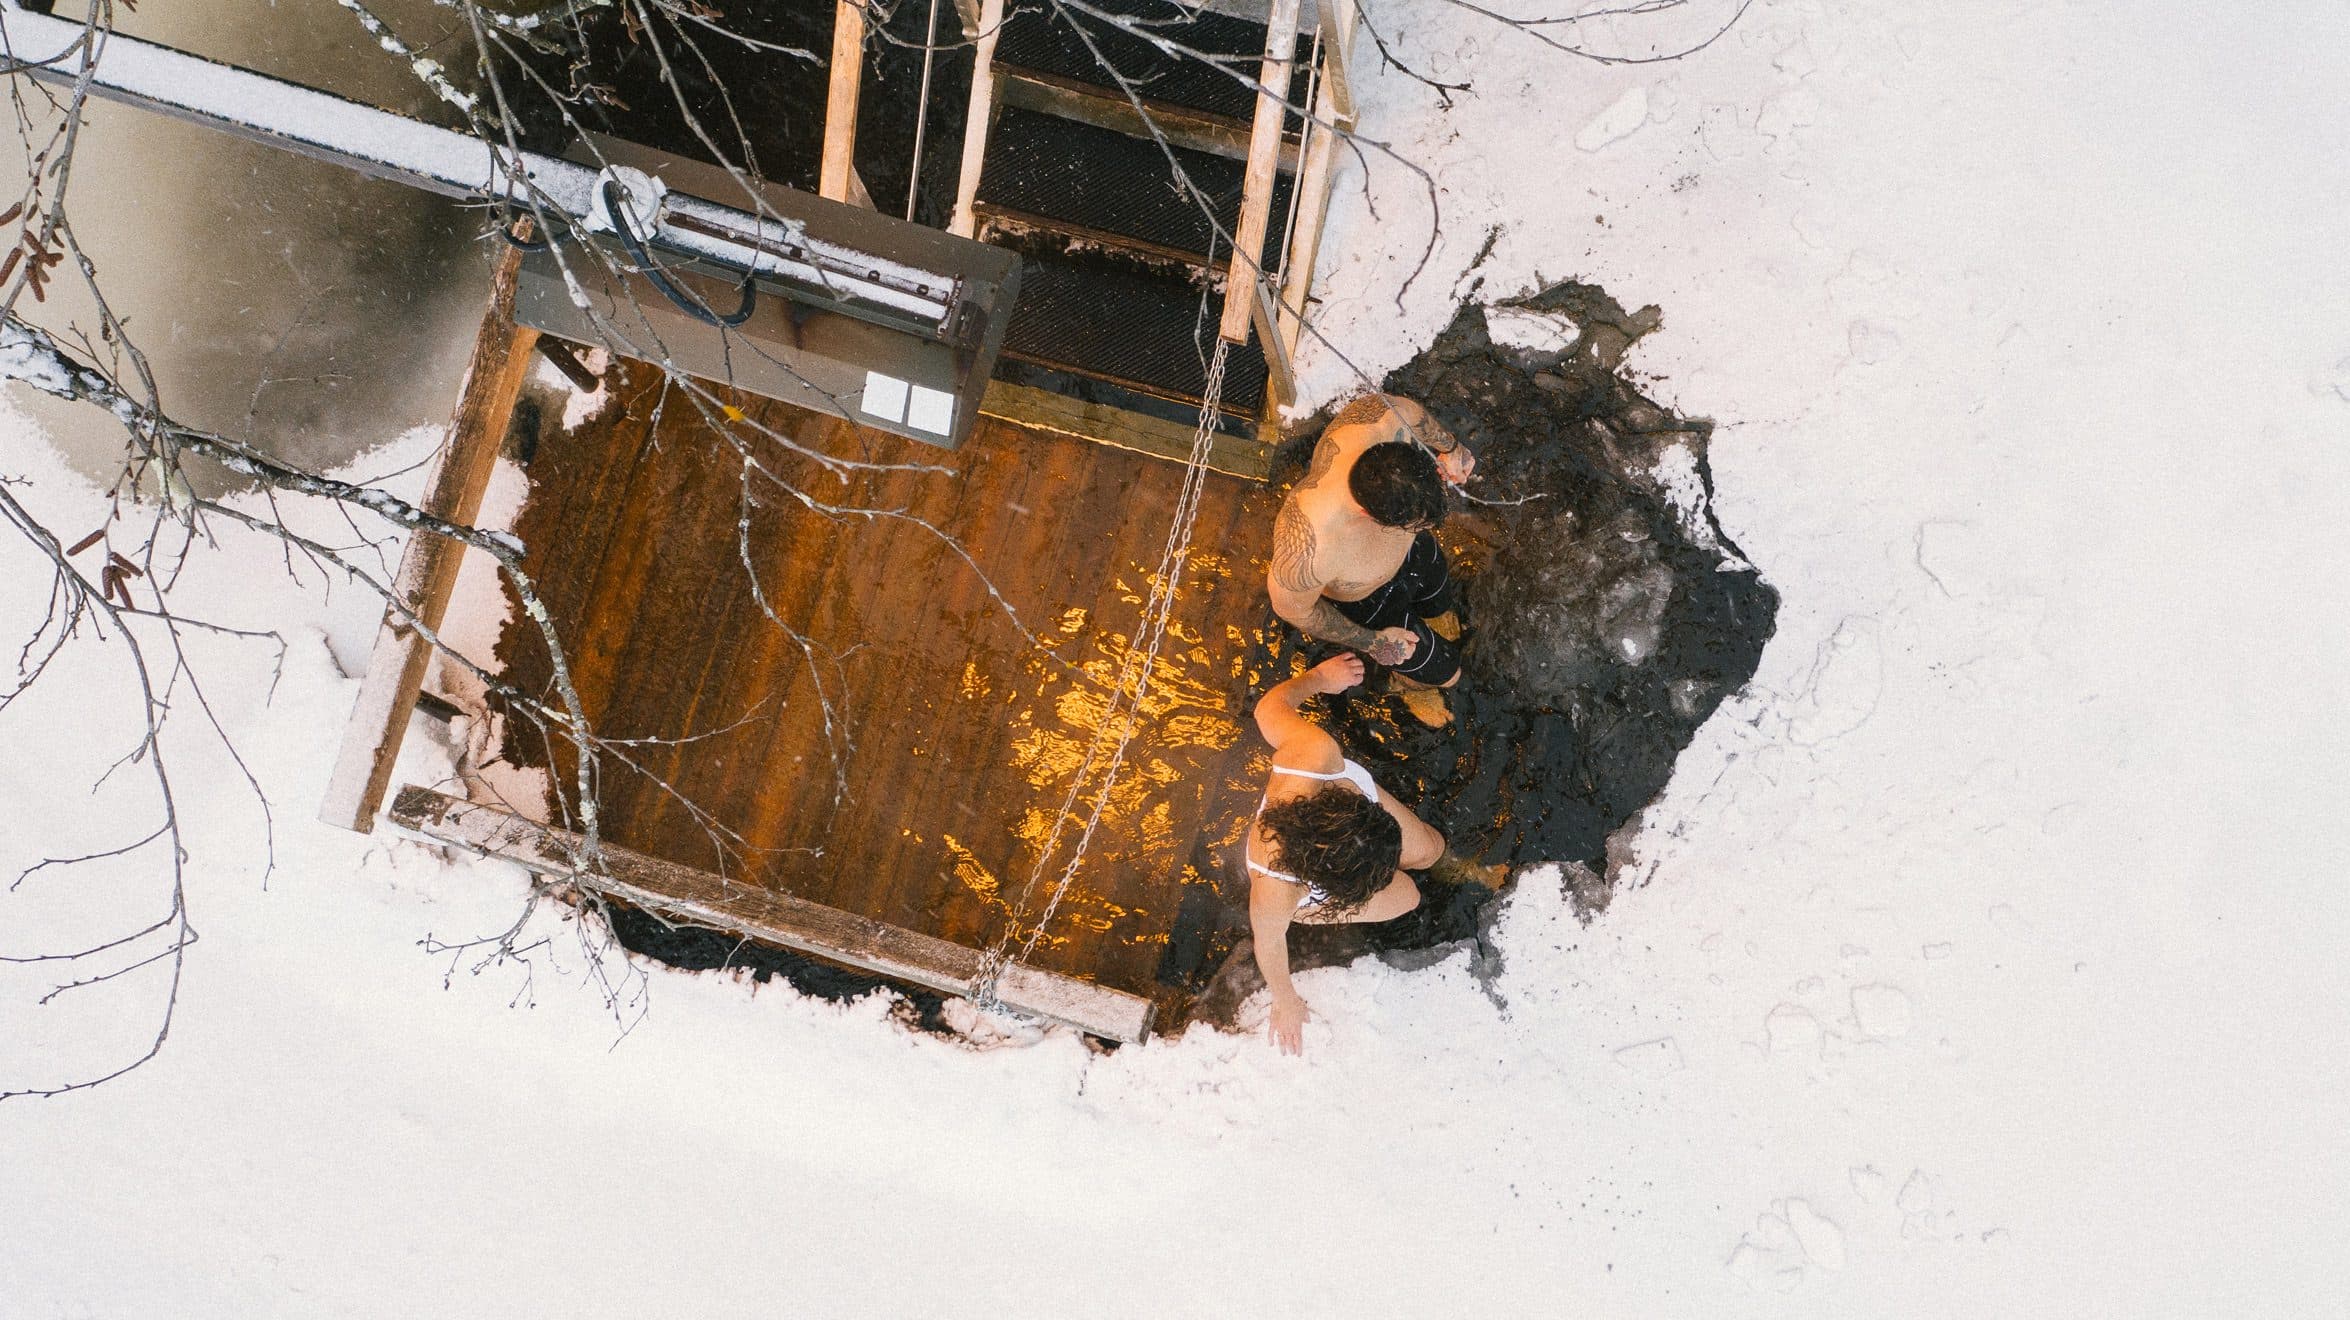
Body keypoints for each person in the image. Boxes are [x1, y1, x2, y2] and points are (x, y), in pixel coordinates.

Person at [1245, 652, 1445, 1054]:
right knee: (1408, 894)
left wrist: (1318, 678)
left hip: (1349, 818)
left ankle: (1402, 849)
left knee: (1430, 850)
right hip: (1307, 890)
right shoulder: (1275, 894)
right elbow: (1268, 942)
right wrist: (1285, 999)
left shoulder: (1313, 755)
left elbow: (1268, 709)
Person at [1266, 392, 1475, 727]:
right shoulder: (1309, 544)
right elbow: (1293, 609)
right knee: (1449, 674)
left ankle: (1431, 620)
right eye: (1413, 524)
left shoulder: (1381, 421)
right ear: (1367, 514)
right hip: (1368, 602)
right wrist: (1375, 642)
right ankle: (1406, 685)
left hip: (1411, 552)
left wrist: (1451, 450)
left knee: (1441, 602)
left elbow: (1413, 413)